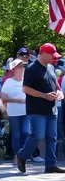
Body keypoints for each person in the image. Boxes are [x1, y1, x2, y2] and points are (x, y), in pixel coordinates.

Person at [16, 43, 65, 174]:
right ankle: (22, 155)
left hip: (51, 108)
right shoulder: (32, 69)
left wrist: (59, 93)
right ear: (43, 54)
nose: (53, 58)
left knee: (51, 137)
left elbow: (54, 84)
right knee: (38, 135)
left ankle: (50, 165)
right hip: (37, 109)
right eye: (51, 55)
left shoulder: (50, 67)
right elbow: (25, 88)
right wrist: (44, 95)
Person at [0, 59, 28, 165]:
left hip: (26, 112)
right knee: (16, 135)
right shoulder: (9, 82)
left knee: (26, 132)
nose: (22, 68)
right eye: (20, 66)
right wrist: (16, 100)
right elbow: (3, 98)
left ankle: (23, 156)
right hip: (14, 113)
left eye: (23, 66)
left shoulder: (26, 80)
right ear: (14, 69)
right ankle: (16, 156)